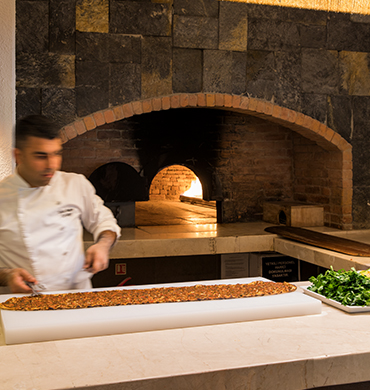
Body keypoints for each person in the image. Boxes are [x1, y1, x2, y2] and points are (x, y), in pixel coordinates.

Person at [0, 115, 121, 293]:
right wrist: (7, 276)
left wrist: (103, 245)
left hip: (76, 299)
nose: (52, 165)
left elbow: (105, 222)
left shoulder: (75, 184)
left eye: (56, 153)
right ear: (18, 156)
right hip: (21, 305)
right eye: (41, 156)